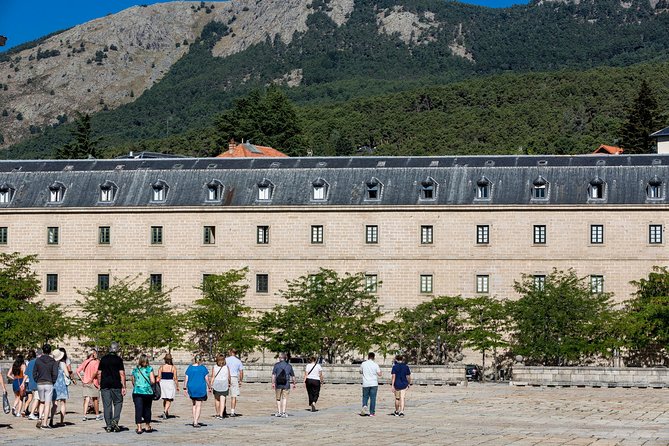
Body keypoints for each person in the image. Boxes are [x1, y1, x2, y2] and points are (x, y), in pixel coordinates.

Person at [98, 341, 126, 433]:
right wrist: (124, 386)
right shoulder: (119, 360)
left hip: (105, 385)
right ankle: (115, 420)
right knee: (118, 402)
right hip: (116, 385)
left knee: (107, 405)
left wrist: (99, 383)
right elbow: (122, 374)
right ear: (117, 349)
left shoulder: (103, 359)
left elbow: (99, 373)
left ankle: (108, 425)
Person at [33, 344, 59, 429]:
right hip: (49, 382)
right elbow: (55, 373)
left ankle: (40, 417)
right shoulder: (53, 361)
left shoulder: (38, 360)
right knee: (47, 404)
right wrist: (53, 381)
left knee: (42, 402)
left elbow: (34, 373)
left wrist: (37, 380)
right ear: (50, 351)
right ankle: (44, 423)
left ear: (43, 351)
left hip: (40, 383)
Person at [130, 354, 155, 434]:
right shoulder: (149, 369)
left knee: (138, 409)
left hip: (137, 391)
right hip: (147, 392)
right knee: (147, 409)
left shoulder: (135, 370)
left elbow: (133, 381)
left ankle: (139, 427)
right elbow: (153, 381)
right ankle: (147, 426)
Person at [183, 354, 209, 428]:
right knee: (199, 405)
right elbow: (207, 379)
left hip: (191, 387)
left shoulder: (190, 368)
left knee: (194, 404)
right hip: (200, 387)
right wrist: (210, 386)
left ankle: (194, 419)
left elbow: (186, 378)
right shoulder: (203, 368)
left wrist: (184, 388)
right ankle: (195, 421)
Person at [76, 348, 101, 421]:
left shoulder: (85, 361)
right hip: (93, 382)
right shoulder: (96, 362)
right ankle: (97, 415)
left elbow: (77, 371)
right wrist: (92, 379)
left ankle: (84, 415)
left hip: (85, 382)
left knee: (86, 398)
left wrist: (82, 379)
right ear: (93, 354)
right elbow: (96, 372)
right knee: (95, 399)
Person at [271, 352, 295, 418]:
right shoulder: (289, 366)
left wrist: (273, 383)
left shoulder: (276, 365)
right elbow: (293, 376)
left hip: (278, 384)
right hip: (286, 384)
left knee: (278, 398)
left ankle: (279, 412)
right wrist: (294, 383)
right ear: (285, 358)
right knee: (284, 398)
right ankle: (283, 412)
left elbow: (273, 375)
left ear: (280, 358)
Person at [51, 348, 70, 426]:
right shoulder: (62, 364)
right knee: (63, 403)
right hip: (61, 385)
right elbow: (67, 374)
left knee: (54, 404)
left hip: (54, 384)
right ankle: (61, 421)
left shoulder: (51, 364)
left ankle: (51, 419)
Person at [360, 352, 382, 417]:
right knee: (373, 398)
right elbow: (379, 374)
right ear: (374, 357)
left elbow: (360, 371)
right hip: (374, 383)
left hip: (366, 383)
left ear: (368, 357)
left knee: (365, 396)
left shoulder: (363, 364)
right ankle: (372, 413)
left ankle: (364, 405)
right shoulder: (375, 364)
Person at [156, 353, 178, 419]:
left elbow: (159, 377)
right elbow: (175, 378)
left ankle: (166, 411)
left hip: (163, 383)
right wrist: (177, 386)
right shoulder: (173, 368)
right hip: (170, 383)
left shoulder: (161, 367)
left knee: (165, 398)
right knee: (169, 399)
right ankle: (165, 411)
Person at [210, 354, 231, 420]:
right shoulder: (226, 367)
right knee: (223, 400)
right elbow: (229, 376)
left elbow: (213, 376)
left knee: (217, 400)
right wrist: (229, 383)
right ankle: (221, 415)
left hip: (216, 383)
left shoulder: (214, 367)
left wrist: (210, 384)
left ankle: (217, 413)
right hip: (224, 383)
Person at [225, 349, 243, 417]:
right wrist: (240, 380)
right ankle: (232, 411)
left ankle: (223, 410)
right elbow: (241, 372)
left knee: (224, 395)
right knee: (234, 395)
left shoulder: (226, 360)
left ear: (231, 352)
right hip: (234, 377)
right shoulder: (238, 361)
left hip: (226, 377)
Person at [23, 350, 37, 417]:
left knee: (28, 397)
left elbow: (25, 373)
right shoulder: (35, 362)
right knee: (35, 398)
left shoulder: (27, 362)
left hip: (26, 381)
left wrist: (23, 382)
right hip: (32, 381)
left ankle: (24, 410)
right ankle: (34, 410)